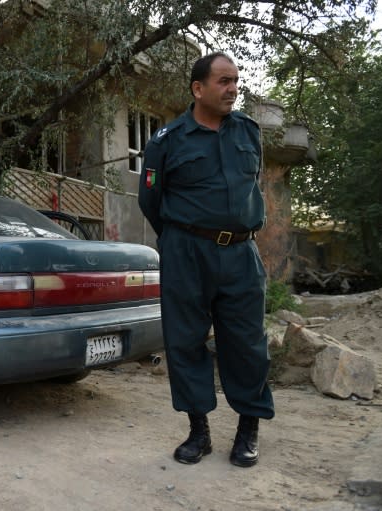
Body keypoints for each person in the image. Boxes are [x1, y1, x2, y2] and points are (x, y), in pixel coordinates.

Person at [138, 52, 274, 468]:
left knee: (247, 343)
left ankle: (248, 428)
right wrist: (183, 240)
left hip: (240, 253)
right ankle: (199, 432)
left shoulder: (248, 132)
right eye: (223, 81)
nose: (233, 88)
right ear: (198, 89)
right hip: (187, 253)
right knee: (185, 340)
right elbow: (150, 199)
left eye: (236, 80)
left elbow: (253, 188)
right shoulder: (167, 140)